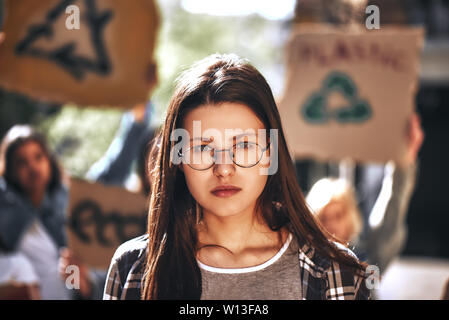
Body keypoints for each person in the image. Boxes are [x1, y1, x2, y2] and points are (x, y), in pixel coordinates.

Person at [103, 53, 370, 300]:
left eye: (243, 145)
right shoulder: (134, 269)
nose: (224, 168)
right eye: (202, 148)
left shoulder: (334, 272)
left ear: (270, 153)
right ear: (179, 159)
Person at [0, 125, 70, 299]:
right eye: (22, 162)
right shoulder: (5, 211)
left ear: (48, 160)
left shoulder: (66, 204)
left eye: (38, 157)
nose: (32, 167)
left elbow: (72, 269)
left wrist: (81, 286)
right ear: (10, 170)